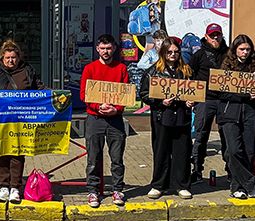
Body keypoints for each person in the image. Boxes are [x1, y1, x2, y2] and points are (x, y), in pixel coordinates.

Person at [0, 40, 43, 203]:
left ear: (18, 57)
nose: (11, 60)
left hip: (21, 121)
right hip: (0, 121)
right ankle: (3, 186)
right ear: (2, 58)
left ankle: (15, 187)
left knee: (17, 153)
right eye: (7, 57)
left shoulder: (28, 70)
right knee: (1, 153)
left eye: (14, 57)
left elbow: (39, 90)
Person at [142, 37, 195, 199]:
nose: (173, 55)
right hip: (162, 116)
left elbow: (195, 91)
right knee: (161, 151)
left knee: (182, 151)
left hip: (181, 116)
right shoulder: (153, 71)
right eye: (169, 52)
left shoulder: (186, 71)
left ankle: (181, 185)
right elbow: (144, 94)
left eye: (176, 52)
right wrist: (160, 101)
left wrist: (191, 101)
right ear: (163, 53)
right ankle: (159, 185)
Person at [80, 35, 130, 208]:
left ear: (114, 49)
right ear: (97, 49)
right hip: (95, 118)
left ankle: (118, 189)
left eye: (108, 48)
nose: (106, 51)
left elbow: (125, 94)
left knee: (117, 158)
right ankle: (93, 191)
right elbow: (84, 94)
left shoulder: (122, 68)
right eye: (102, 48)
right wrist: (97, 106)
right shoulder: (89, 68)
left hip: (115, 119)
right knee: (93, 157)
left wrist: (116, 109)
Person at [217, 35, 255, 199]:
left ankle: (239, 187)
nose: (245, 52)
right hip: (229, 113)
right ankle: (250, 182)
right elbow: (221, 91)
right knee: (234, 150)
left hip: (250, 114)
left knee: (248, 152)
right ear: (235, 49)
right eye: (242, 49)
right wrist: (244, 95)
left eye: (247, 49)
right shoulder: (226, 66)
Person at [189, 23, 228, 182]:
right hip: (204, 100)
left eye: (217, 35)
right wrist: (190, 96)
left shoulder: (228, 53)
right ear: (206, 36)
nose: (215, 38)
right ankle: (197, 170)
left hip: (225, 100)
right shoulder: (199, 54)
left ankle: (230, 170)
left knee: (227, 136)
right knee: (200, 136)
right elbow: (189, 75)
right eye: (212, 35)